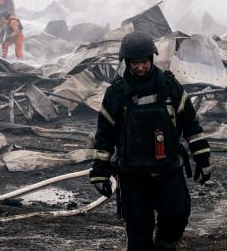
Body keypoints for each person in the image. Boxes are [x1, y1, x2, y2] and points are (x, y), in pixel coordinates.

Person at [90, 32, 212, 251]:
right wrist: (100, 171)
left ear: (152, 59)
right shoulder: (116, 94)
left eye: (144, 61)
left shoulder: (170, 86)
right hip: (133, 176)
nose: (140, 67)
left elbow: (191, 125)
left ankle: (164, 246)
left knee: (176, 217)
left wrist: (203, 159)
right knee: (138, 232)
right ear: (126, 63)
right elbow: (105, 135)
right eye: (135, 63)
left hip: (169, 170)